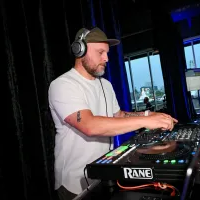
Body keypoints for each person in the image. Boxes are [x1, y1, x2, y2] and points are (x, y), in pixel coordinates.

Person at [48, 27, 177, 200]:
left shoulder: (106, 85)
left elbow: (118, 116)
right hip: (74, 182)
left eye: (107, 53)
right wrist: (144, 122)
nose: (106, 58)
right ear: (80, 50)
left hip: (103, 175)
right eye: (100, 52)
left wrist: (148, 115)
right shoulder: (63, 85)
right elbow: (89, 125)